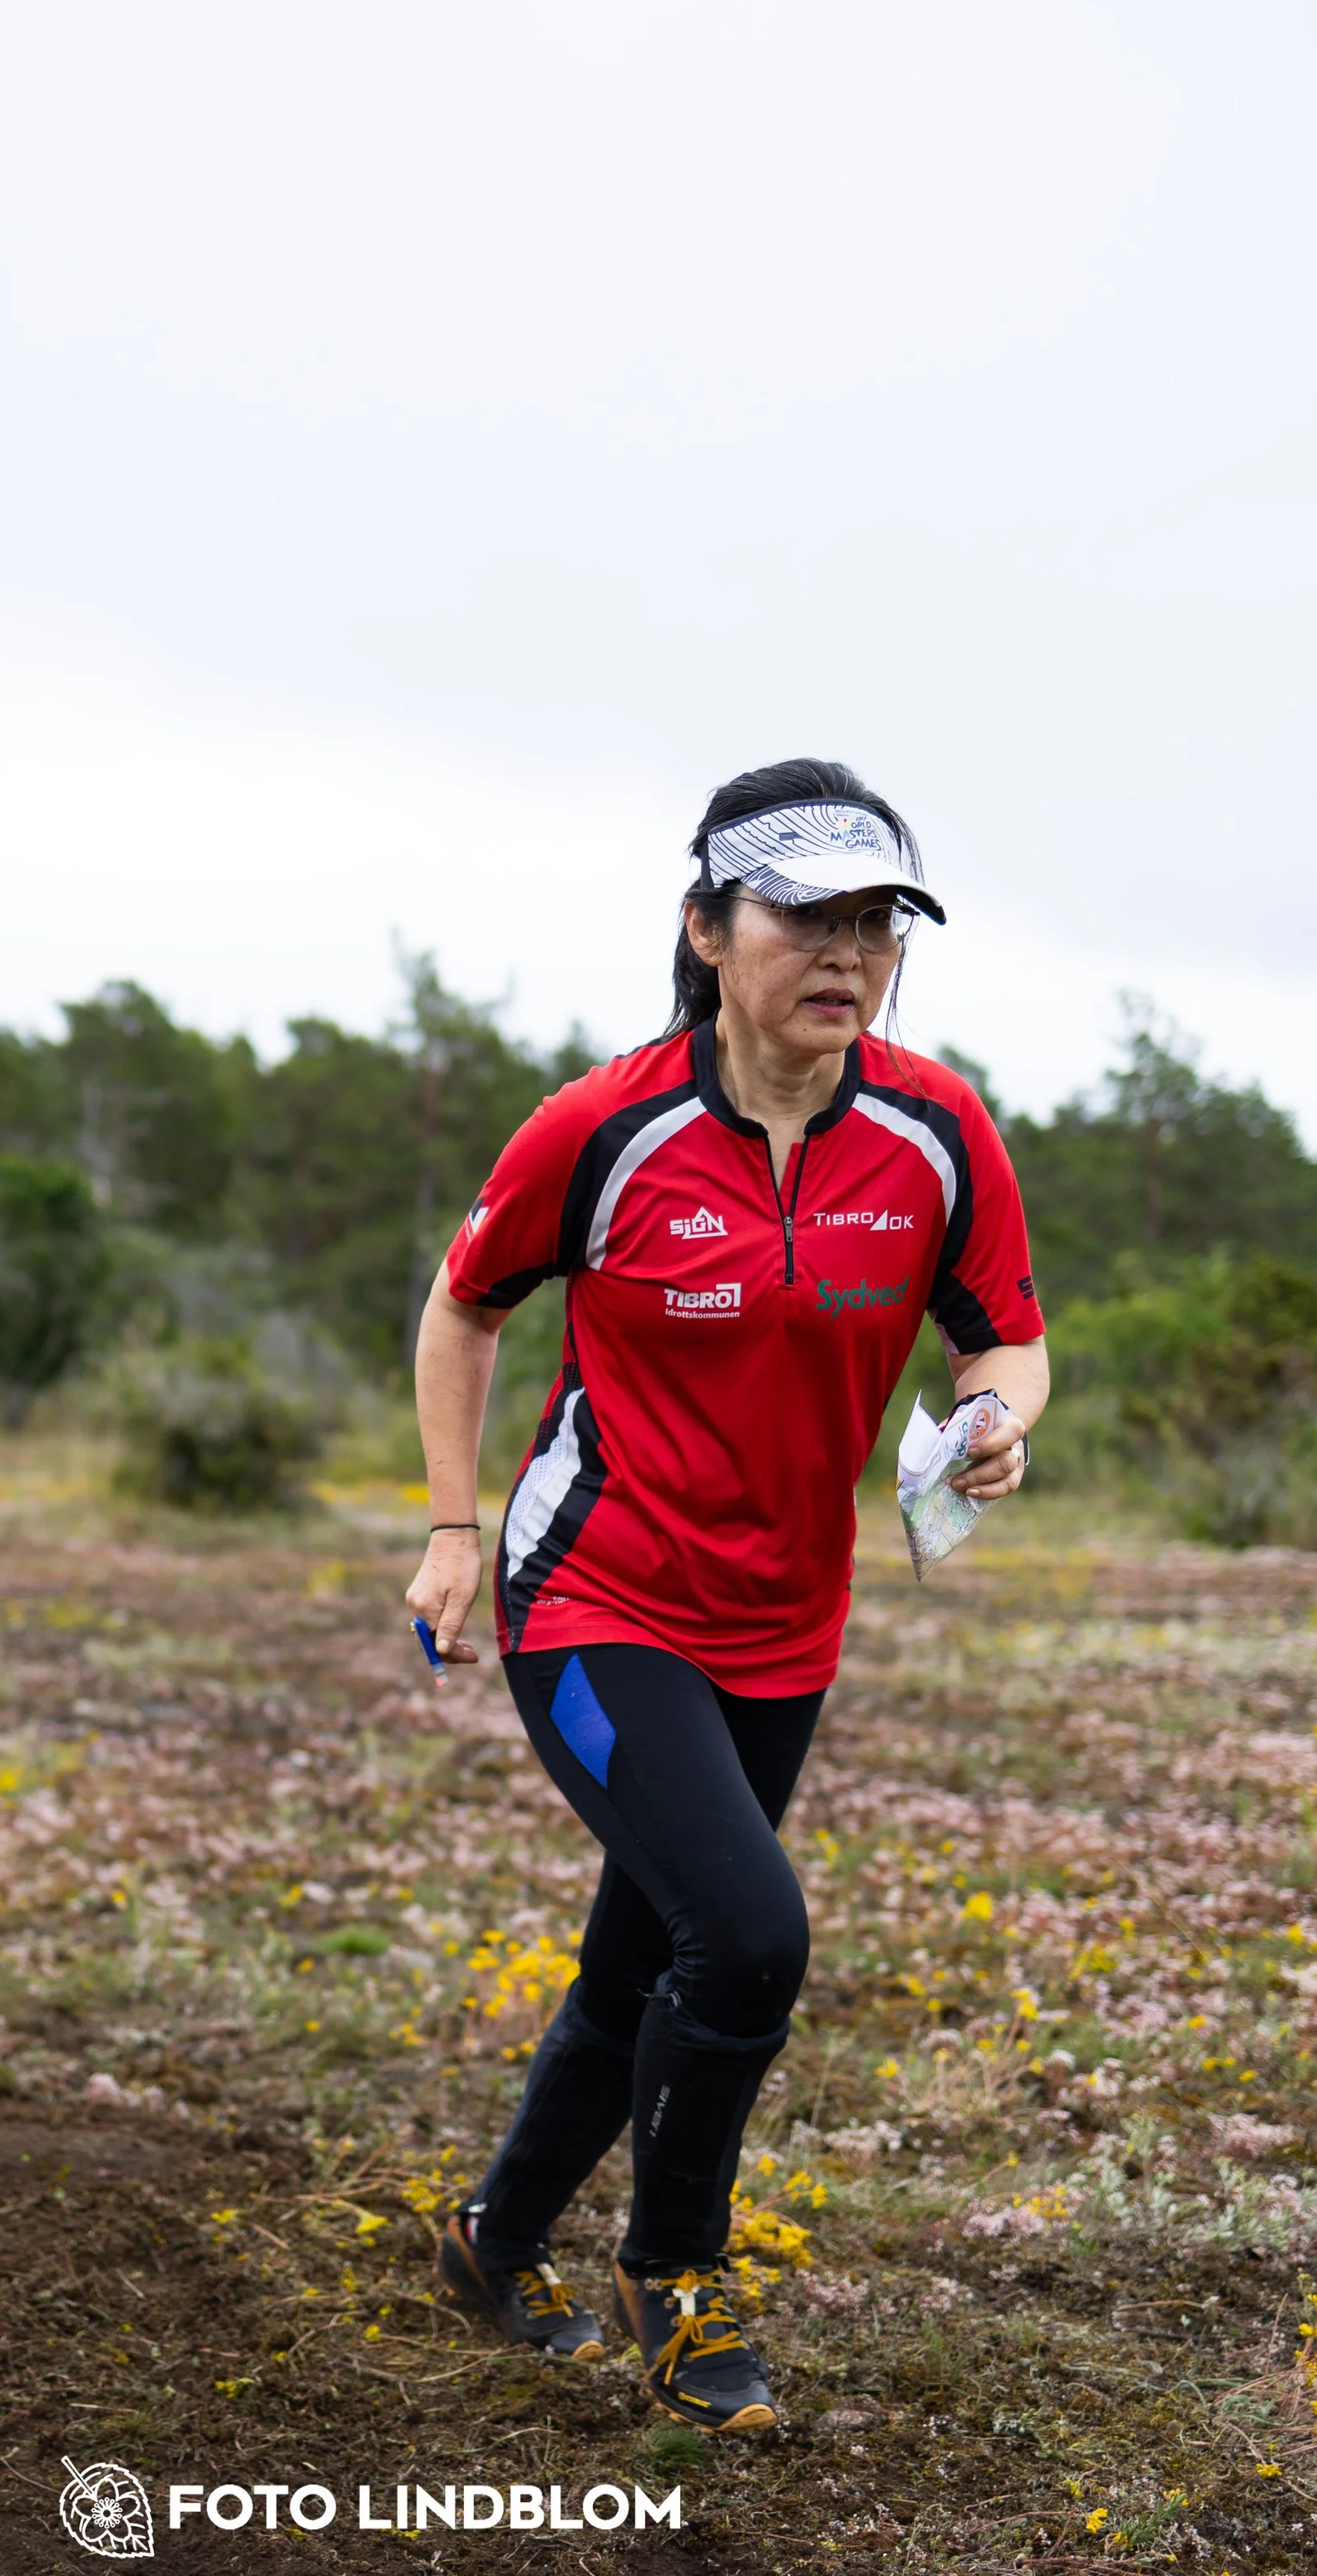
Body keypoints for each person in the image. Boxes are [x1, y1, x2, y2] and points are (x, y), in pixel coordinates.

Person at [407, 758, 1048, 2433]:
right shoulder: (602, 1127)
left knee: (646, 1958)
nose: (846, 955)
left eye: (876, 924)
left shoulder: (935, 1129)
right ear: (707, 929)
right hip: (593, 1590)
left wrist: (994, 1420)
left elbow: (1004, 1334)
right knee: (750, 1936)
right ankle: (674, 2271)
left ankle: (490, 2239)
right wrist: (451, 1527)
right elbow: (466, 1304)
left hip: (785, 1619)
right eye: (806, 917)